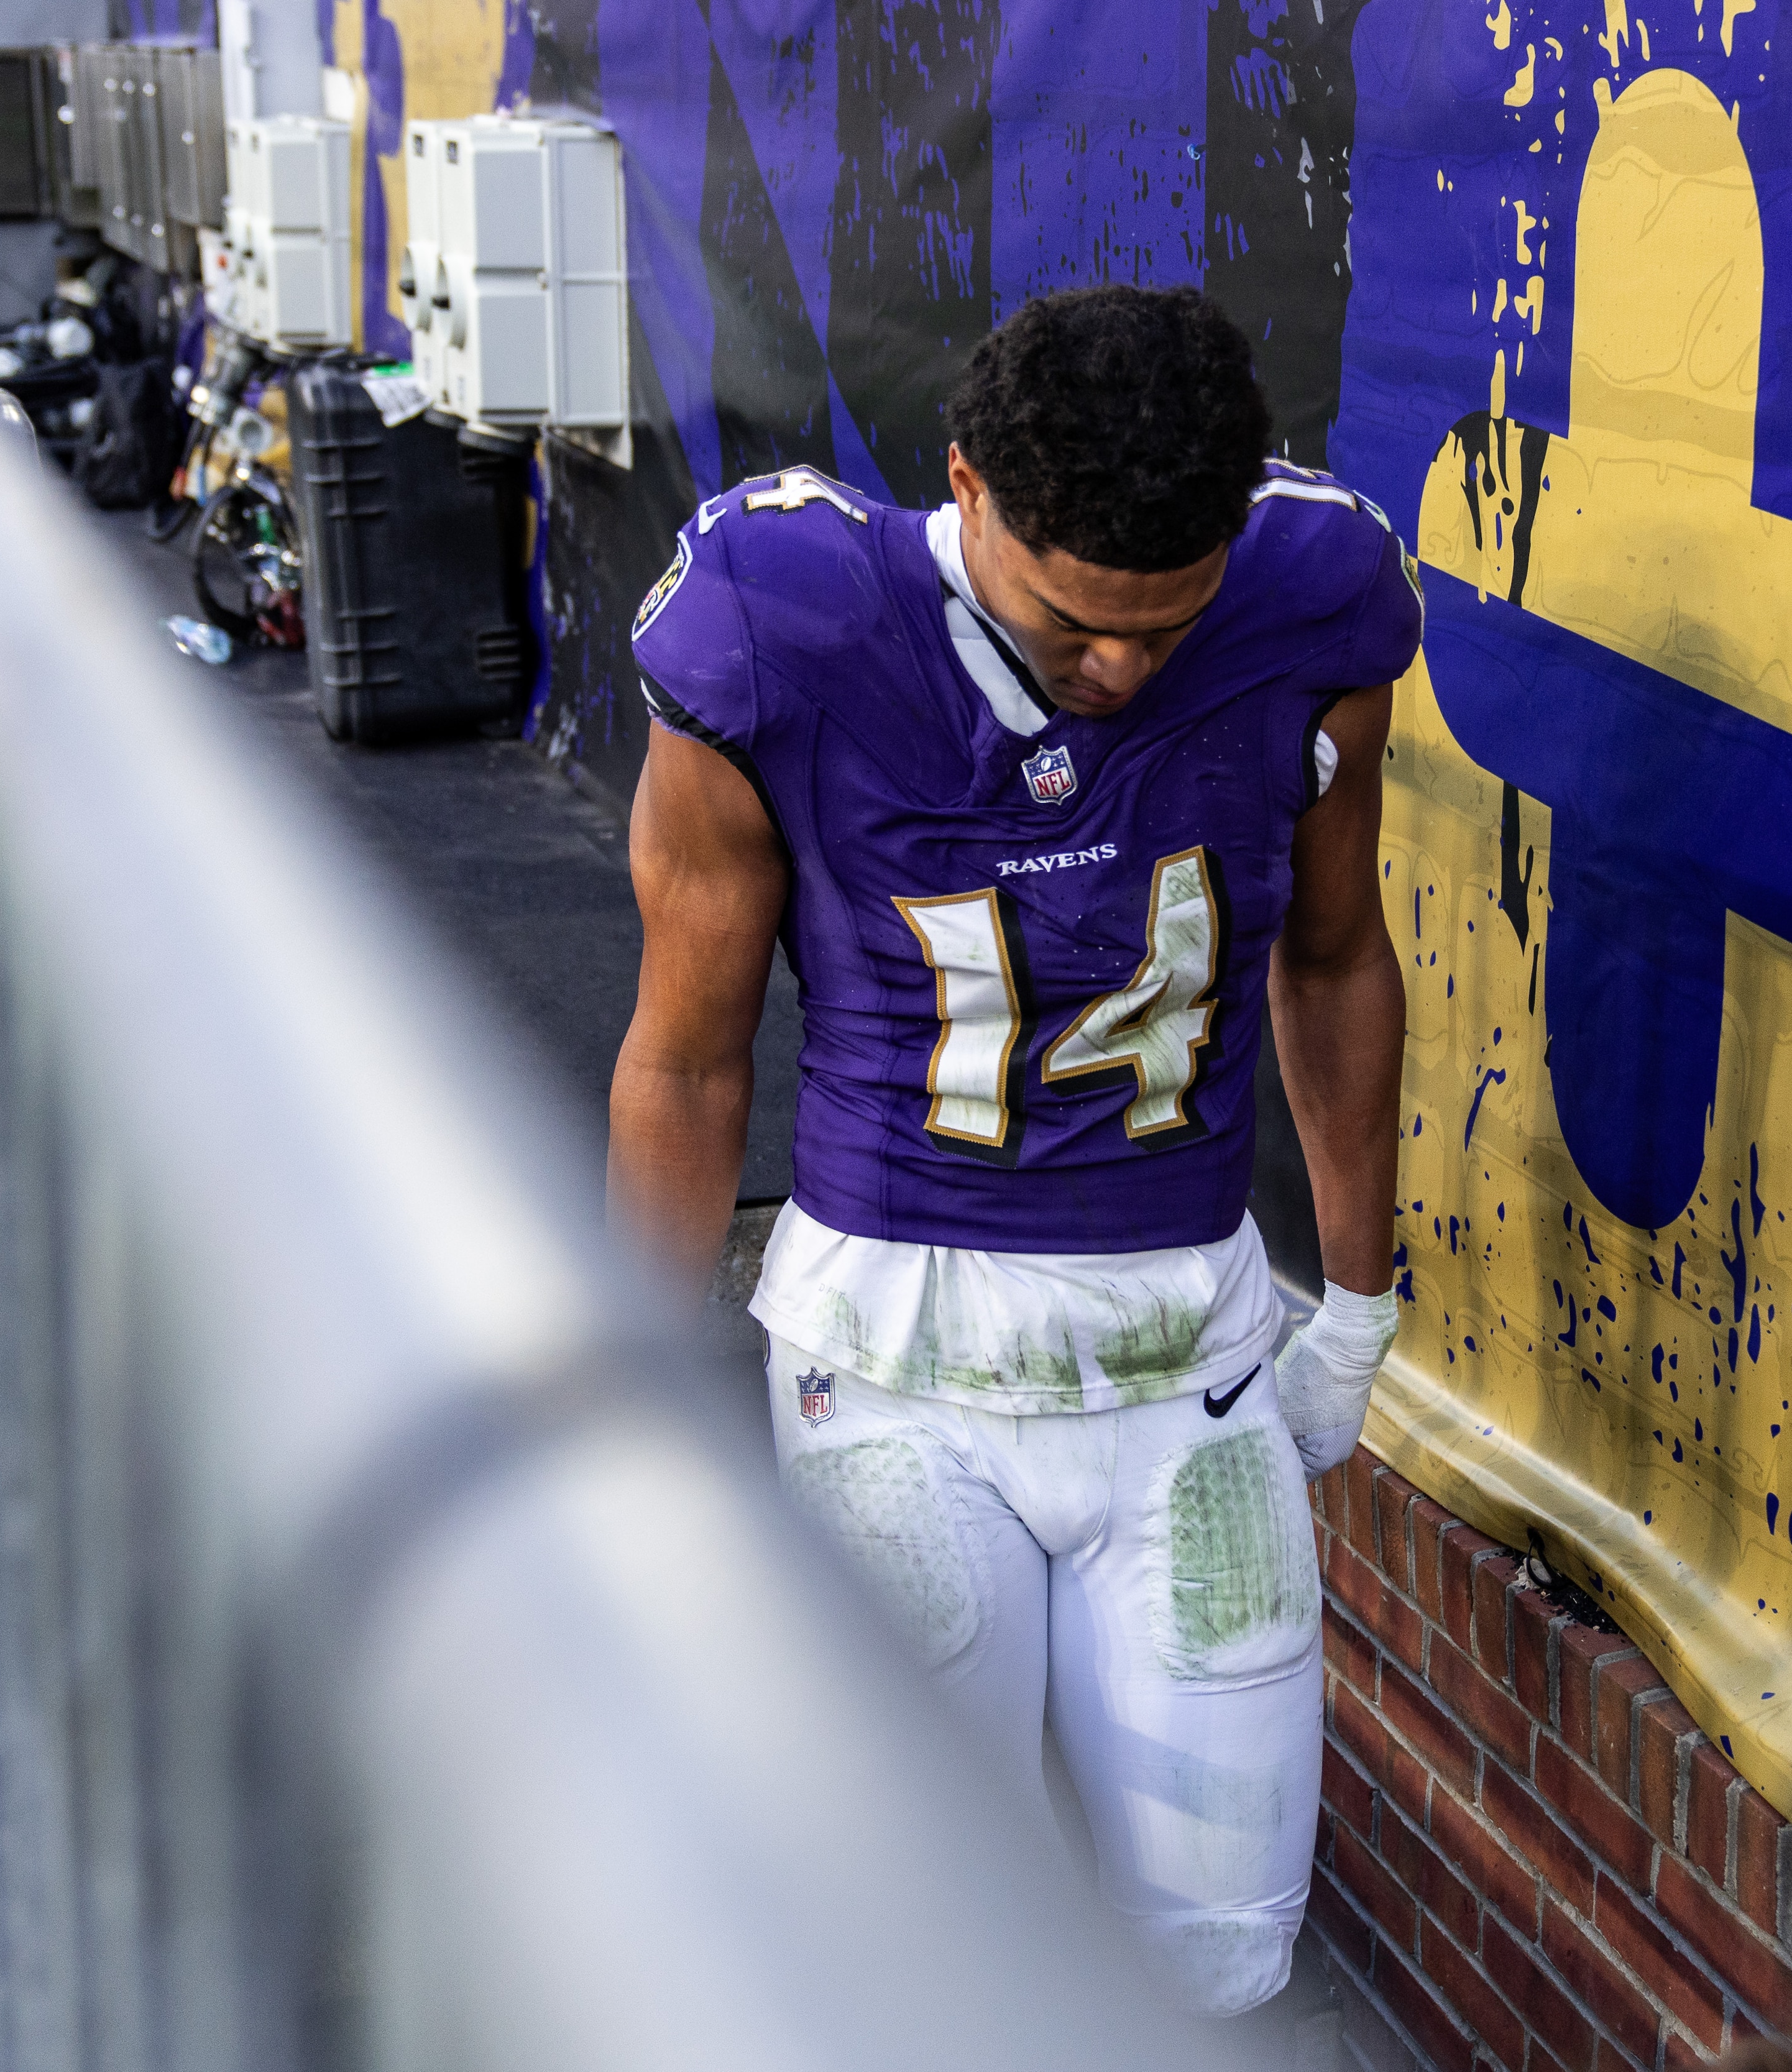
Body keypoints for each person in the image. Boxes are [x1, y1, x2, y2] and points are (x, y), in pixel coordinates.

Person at [606, 284, 1416, 2017]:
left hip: (1190, 1366)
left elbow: (1337, 956)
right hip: (892, 1370)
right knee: (921, 1952)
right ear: (963, 488)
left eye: (1165, 631)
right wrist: (635, 1376)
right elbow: (685, 1057)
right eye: (1073, 629)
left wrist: (1358, 1294)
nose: (1120, 671)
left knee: (1219, 1953)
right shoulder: (786, 623)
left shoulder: (1314, 603)